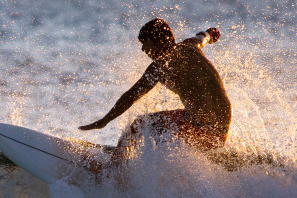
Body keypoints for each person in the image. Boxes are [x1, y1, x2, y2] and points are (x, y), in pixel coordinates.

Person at [79, 18, 232, 158]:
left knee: (141, 125)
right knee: (157, 128)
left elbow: (131, 96)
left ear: (159, 41)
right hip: (221, 128)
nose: (143, 49)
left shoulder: (161, 65)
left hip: (202, 132)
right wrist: (209, 34)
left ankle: (113, 170)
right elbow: (202, 37)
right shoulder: (190, 45)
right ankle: (134, 157)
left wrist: (104, 121)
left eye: (146, 43)